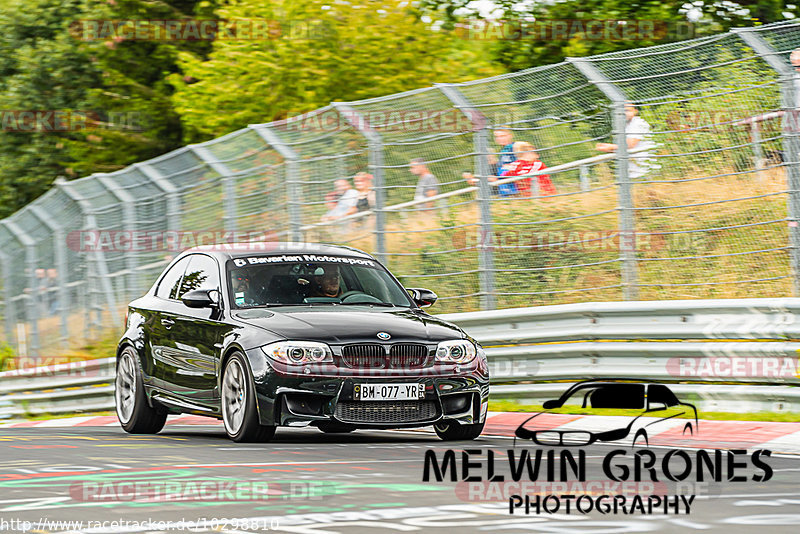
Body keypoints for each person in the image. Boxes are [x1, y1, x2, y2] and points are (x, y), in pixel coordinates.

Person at [596, 102, 658, 179]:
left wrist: (611, 147)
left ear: (635, 111)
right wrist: (610, 149)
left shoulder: (637, 123)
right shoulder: (625, 126)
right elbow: (624, 147)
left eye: (627, 110)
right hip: (635, 171)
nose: (624, 113)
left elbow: (630, 144)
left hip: (644, 171)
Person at [493, 128, 518, 196]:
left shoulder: (516, 147)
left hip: (516, 188)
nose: (499, 139)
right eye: (497, 137)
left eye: (502, 136)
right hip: (504, 189)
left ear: (510, 135)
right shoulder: (503, 151)